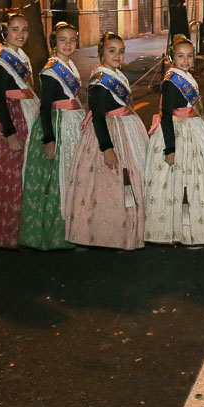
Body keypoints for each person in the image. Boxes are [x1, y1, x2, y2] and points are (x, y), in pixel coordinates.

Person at [144, 35, 204, 246]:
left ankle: (199, 229)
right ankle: (179, 230)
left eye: (189, 56)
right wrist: (170, 148)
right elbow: (166, 115)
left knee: (197, 181)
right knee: (180, 184)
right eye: (180, 56)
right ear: (170, 57)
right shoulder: (170, 81)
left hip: (194, 129)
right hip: (177, 133)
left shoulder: (186, 77)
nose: (185, 60)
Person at [65, 32, 150, 250]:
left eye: (121, 51)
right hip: (110, 135)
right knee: (109, 186)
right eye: (112, 51)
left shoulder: (116, 74)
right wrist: (107, 148)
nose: (117, 55)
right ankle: (108, 234)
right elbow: (98, 116)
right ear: (100, 53)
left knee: (134, 178)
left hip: (128, 129)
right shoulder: (99, 80)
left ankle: (129, 231)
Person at [19, 22, 85, 250]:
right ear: (53, 43)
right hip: (58, 125)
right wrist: (49, 139)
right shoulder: (51, 70)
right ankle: (55, 234)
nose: (68, 44)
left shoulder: (71, 66)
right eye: (63, 40)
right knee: (57, 178)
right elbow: (45, 106)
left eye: (72, 40)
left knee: (74, 176)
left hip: (74, 122)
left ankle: (76, 231)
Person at [0, 13, 40, 249]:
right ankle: (4, 233)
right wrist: (10, 132)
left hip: (25, 111)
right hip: (7, 120)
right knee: (8, 175)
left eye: (24, 29)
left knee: (22, 174)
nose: (21, 34)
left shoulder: (21, 56)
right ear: (5, 32)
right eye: (15, 29)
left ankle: (21, 228)